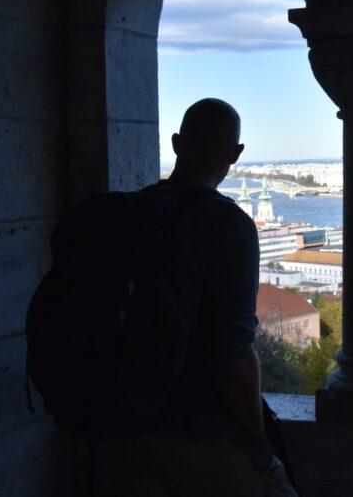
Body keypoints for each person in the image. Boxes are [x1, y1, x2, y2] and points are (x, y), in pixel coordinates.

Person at [126, 98, 297, 497]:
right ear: (235, 155)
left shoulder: (131, 212)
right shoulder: (229, 226)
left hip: (121, 421)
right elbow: (234, 354)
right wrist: (258, 441)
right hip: (197, 428)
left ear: (175, 144)